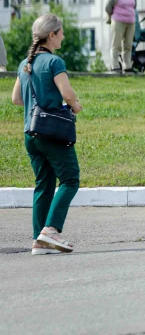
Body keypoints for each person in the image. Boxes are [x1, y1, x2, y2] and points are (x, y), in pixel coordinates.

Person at [11, 14, 83, 255]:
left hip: (30, 134)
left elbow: (16, 99)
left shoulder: (25, 64)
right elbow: (67, 93)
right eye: (60, 32)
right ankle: (51, 231)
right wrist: (75, 105)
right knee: (70, 179)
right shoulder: (54, 62)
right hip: (53, 133)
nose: (63, 36)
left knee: (43, 185)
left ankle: (38, 240)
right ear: (52, 35)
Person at [105, 0, 137, 74]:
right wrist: (114, 16)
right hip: (118, 21)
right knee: (116, 44)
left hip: (130, 21)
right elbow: (108, 7)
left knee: (128, 45)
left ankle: (127, 65)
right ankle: (114, 66)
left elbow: (134, 5)